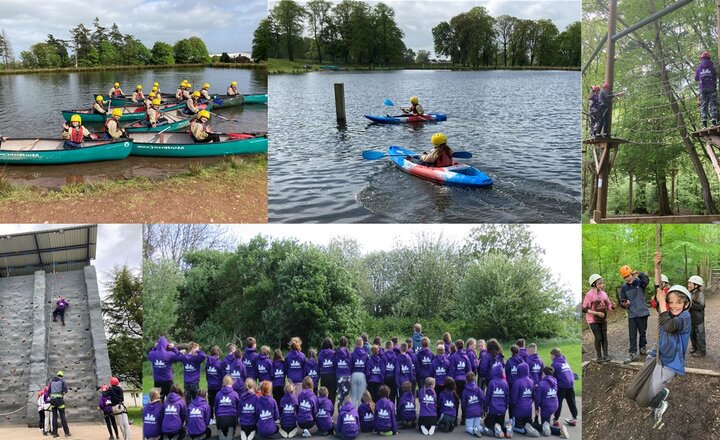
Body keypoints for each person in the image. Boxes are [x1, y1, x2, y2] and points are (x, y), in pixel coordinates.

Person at [640, 252, 692, 425]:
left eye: (678, 302)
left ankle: (660, 404)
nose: (673, 306)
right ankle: (660, 395)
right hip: (659, 357)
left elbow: (670, 326)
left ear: (686, 304)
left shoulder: (685, 317)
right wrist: (656, 268)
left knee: (646, 399)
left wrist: (663, 303)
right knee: (641, 393)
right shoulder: (667, 313)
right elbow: (658, 292)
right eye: (670, 302)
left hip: (670, 364)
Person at [619, 265, 650, 364]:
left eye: (628, 275)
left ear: (631, 274)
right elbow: (622, 301)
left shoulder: (639, 282)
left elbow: (646, 281)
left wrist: (639, 274)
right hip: (632, 314)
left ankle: (643, 348)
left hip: (642, 313)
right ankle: (632, 353)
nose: (627, 278)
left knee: (642, 333)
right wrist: (625, 304)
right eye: (625, 277)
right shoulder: (624, 287)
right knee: (632, 335)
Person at [583, 274, 614, 362]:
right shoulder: (589, 295)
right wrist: (596, 313)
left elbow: (608, 306)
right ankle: (599, 356)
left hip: (603, 319)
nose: (602, 285)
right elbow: (584, 309)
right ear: (593, 284)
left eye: (602, 283)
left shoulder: (604, 294)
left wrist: (613, 306)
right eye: (600, 284)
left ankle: (606, 355)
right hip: (593, 320)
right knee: (598, 338)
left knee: (604, 337)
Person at [533, 367, 568, 438]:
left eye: (542, 373)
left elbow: (537, 399)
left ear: (544, 374)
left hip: (546, 407)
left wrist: (536, 409)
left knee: (544, 428)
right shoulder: (554, 380)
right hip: (555, 404)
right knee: (546, 422)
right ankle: (548, 423)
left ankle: (559, 431)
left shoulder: (542, 383)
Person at [509, 364, 539, 437]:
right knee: (529, 423)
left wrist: (512, 407)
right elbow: (533, 396)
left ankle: (524, 429)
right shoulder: (531, 381)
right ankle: (541, 427)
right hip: (528, 411)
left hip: (518, 410)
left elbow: (513, 399)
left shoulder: (517, 382)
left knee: (513, 426)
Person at [550, 348, 578, 427]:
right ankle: (574, 418)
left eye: (551, 355)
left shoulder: (554, 364)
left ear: (554, 355)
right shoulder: (565, 361)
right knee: (571, 401)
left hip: (562, 385)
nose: (550, 357)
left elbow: (552, 377)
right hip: (571, 383)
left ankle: (556, 420)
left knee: (558, 402)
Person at [484, 363, 510, 438]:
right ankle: (505, 429)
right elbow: (507, 397)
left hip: (493, 410)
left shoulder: (491, 383)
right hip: (502, 411)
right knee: (501, 424)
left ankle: (495, 429)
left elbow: (488, 397)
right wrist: (505, 408)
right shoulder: (505, 383)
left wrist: (485, 407)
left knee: (487, 422)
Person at [447, 340, 469, 424]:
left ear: (455, 347)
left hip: (455, 381)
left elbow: (452, 369)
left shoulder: (453, 357)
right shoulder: (466, 357)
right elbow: (468, 370)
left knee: (455, 400)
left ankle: (455, 419)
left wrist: (449, 379)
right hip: (464, 381)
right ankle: (464, 419)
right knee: (463, 400)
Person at [696, 51, 718, 128]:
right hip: (712, 87)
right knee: (713, 104)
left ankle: (704, 124)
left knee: (704, 106)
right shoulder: (712, 67)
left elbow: (696, 78)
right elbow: (715, 76)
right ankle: (713, 121)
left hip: (703, 89)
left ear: (701, 59)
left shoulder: (699, 68)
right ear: (709, 58)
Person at [215, 375, 240, 440]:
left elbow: (216, 408)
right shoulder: (235, 394)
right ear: (231, 382)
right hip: (231, 418)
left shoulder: (218, 394)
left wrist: (217, 418)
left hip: (220, 419)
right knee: (231, 432)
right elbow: (238, 408)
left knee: (222, 430)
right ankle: (230, 432)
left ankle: (221, 431)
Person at [461, 372, 484, 437]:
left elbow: (463, 403)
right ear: (474, 379)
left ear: (466, 380)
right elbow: (482, 399)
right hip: (478, 412)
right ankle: (483, 429)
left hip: (469, 412)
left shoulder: (465, 391)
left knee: (469, 427)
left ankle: (473, 431)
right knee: (477, 426)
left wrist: (465, 409)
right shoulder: (478, 389)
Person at [48, 371, 71, 438]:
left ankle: (55, 433)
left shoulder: (51, 382)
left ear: (57, 375)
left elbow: (49, 391)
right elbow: (65, 390)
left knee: (54, 417)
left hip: (52, 401)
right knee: (62, 416)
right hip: (59, 400)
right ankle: (66, 433)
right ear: (62, 376)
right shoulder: (62, 381)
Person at [687, 275, 706, 357]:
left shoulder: (700, 294)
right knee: (692, 335)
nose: (689, 285)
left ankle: (701, 350)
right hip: (691, 318)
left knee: (700, 335)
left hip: (698, 319)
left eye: (690, 284)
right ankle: (694, 347)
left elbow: (701, 306)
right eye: (689, 283)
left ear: (696, 285)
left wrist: (691, 304)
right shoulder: (689, 293)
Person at [206, 346, 223, 424]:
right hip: (218, 386)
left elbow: (206, 374)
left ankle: (210, 418)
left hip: (210, 385)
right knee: (218, 402)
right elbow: (222, 374)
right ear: (218, 353)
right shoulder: (220, 363)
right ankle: (217, 417)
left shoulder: (208, 363)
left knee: (210, 403)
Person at [350, 337, 368, 408]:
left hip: (354, 374)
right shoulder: (366, 354)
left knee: (353, 397)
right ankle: (360, 415)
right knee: (361, 397)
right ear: (362, 344)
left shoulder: (352, 354)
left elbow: (350, 365)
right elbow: (367, 367)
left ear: (355, 344)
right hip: (362, 375)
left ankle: (353, 414)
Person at [318, 338, 337, 405]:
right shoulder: (334, 353)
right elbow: (335, 363)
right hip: (332, 375)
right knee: (332, 393)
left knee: (323, 393)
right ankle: (331, 409)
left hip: (324, 375)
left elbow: (320, 364)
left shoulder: (320, 354)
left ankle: (324, 408)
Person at [335, 337, 352, 405]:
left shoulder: (337, 352)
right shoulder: (348, 352)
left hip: (339, 375)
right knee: (347, 394)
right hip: (347, 375)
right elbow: (351, 363)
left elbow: (334, 363)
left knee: (339, 394)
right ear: (346, 343)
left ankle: (340, 411)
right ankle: (347, 410)